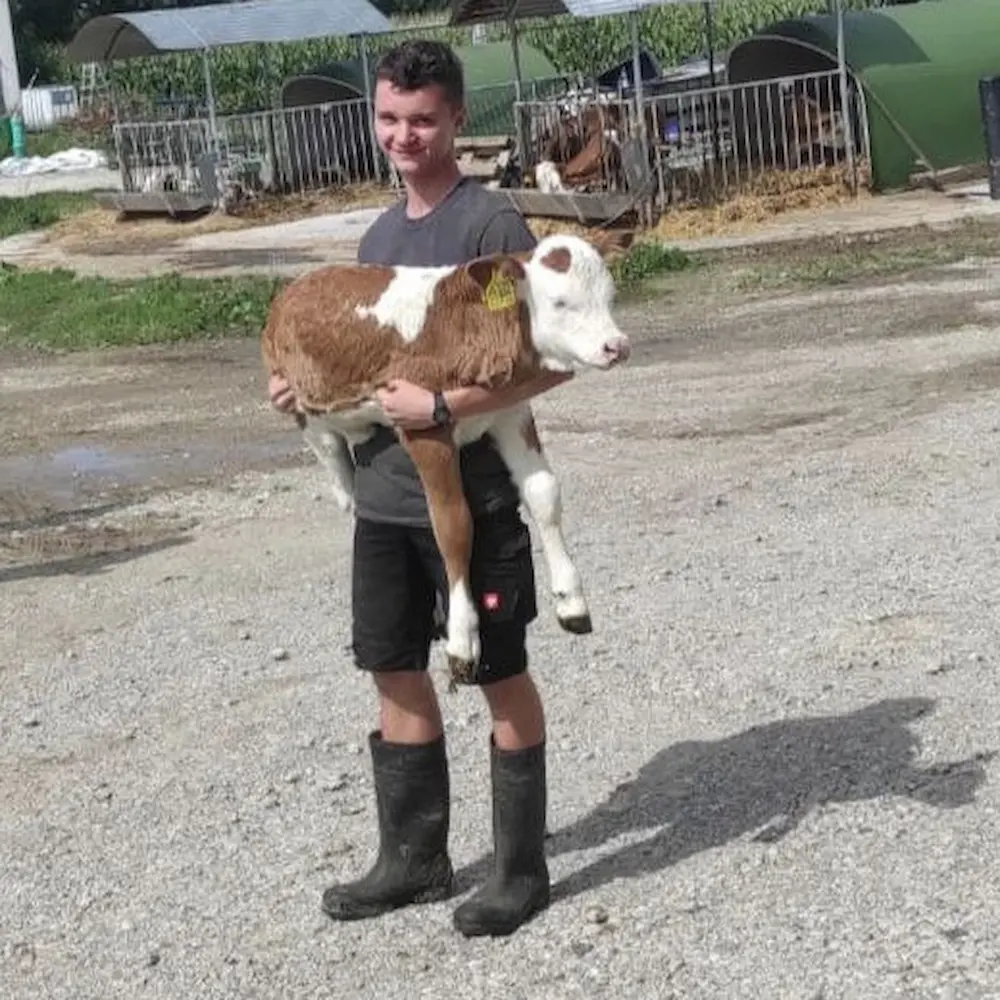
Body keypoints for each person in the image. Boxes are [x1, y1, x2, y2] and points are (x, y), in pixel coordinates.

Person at [268, 39, 571, 938]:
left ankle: (520, 871)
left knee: (497, 670)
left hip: (472, 495)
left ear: (456, 121)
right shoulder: (378, 239)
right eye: (390, 118)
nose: (405, 135)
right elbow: (357, 369)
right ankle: (414, 859)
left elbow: (546, 361)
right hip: (384, 495)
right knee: (392, 665)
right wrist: (302, 389)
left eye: (423, 119)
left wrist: (445, 399)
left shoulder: (491, 231)